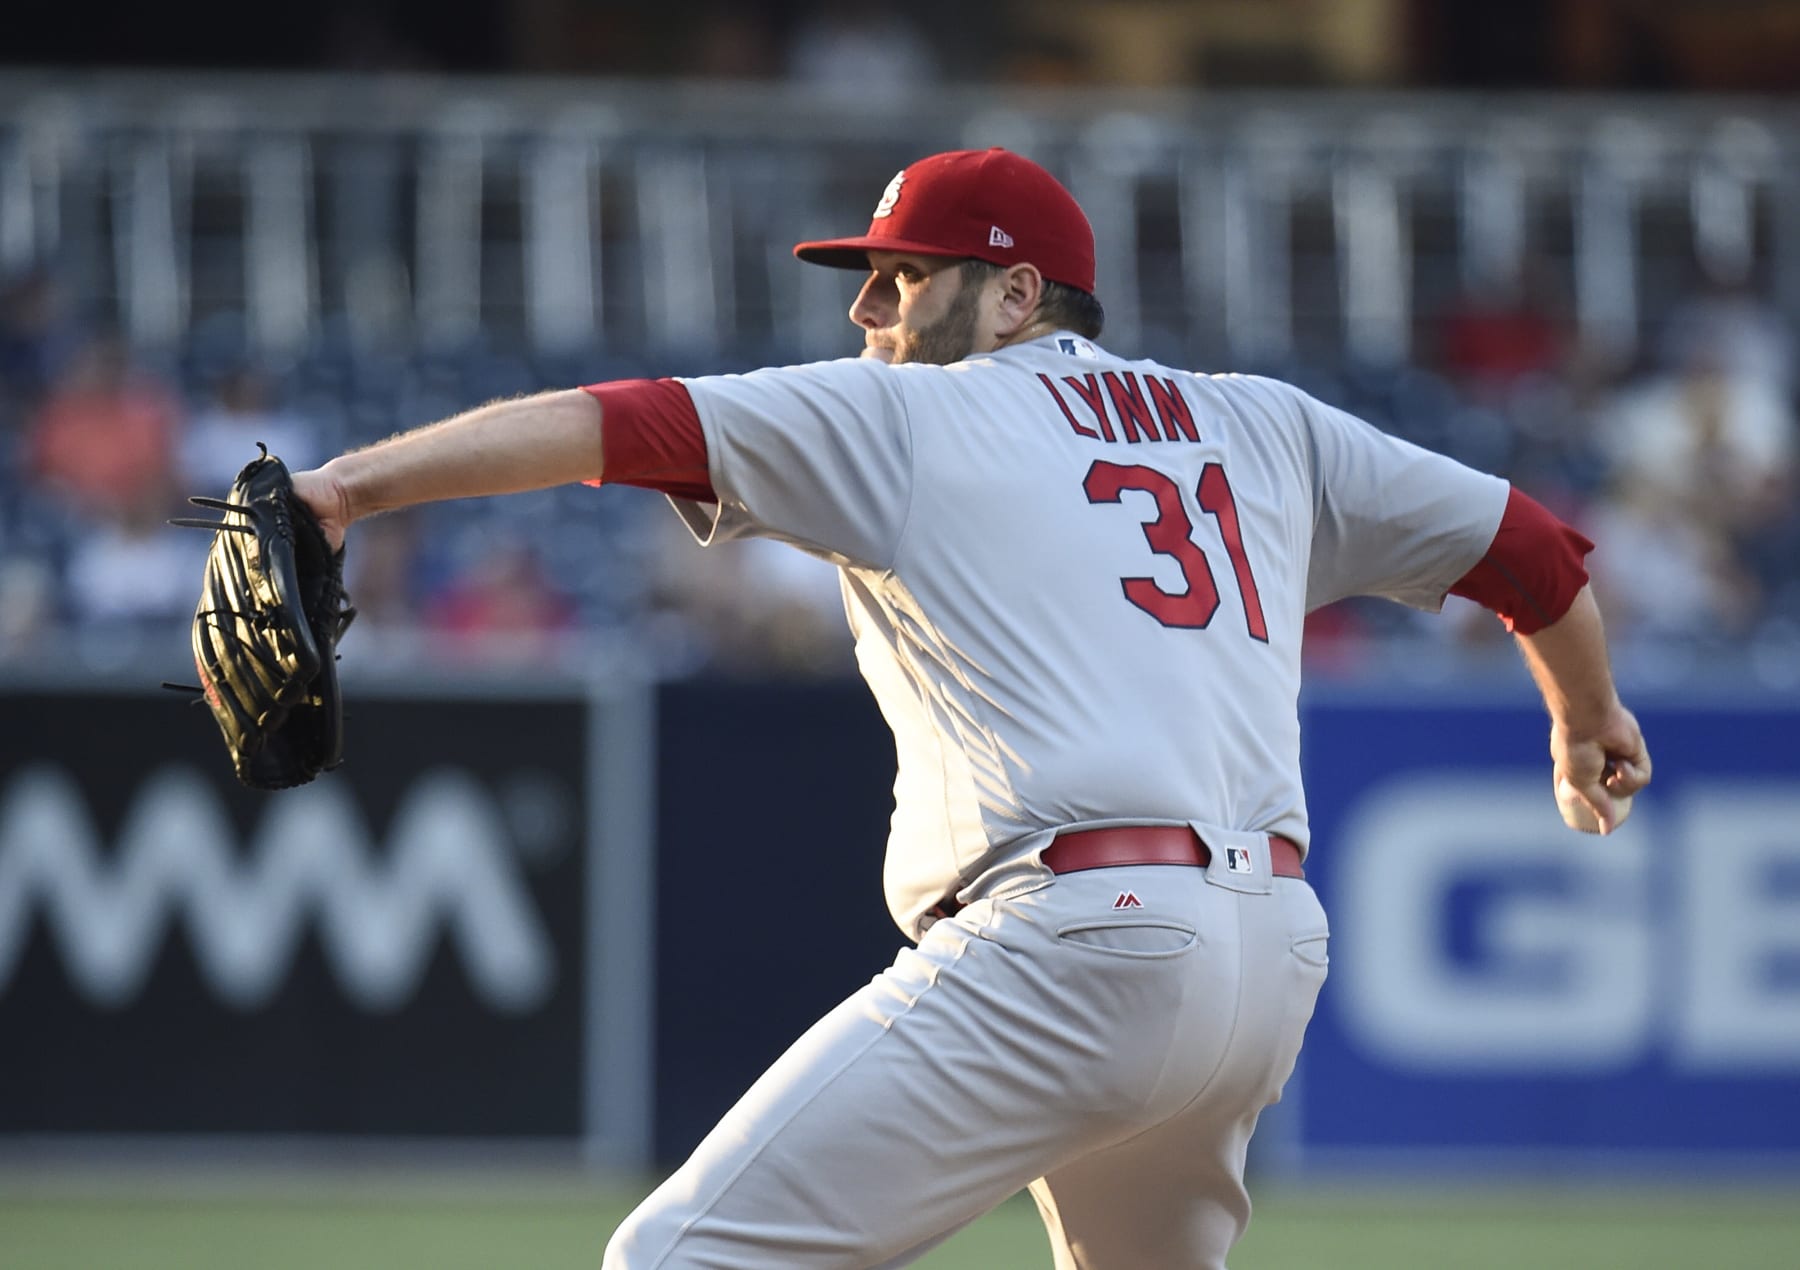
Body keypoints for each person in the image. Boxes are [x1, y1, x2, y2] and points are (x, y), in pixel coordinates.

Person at [290, 148, 1652, 1269]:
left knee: (679, 1260)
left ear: (1013, 294)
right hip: (1268, 957)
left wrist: (344, 491)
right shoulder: (1263, 424)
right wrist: (1582, 715)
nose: (866, 314)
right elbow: (1534, 553)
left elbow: (618, 425)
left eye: (900, 278)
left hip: (1078, 940)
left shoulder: (910, 418)